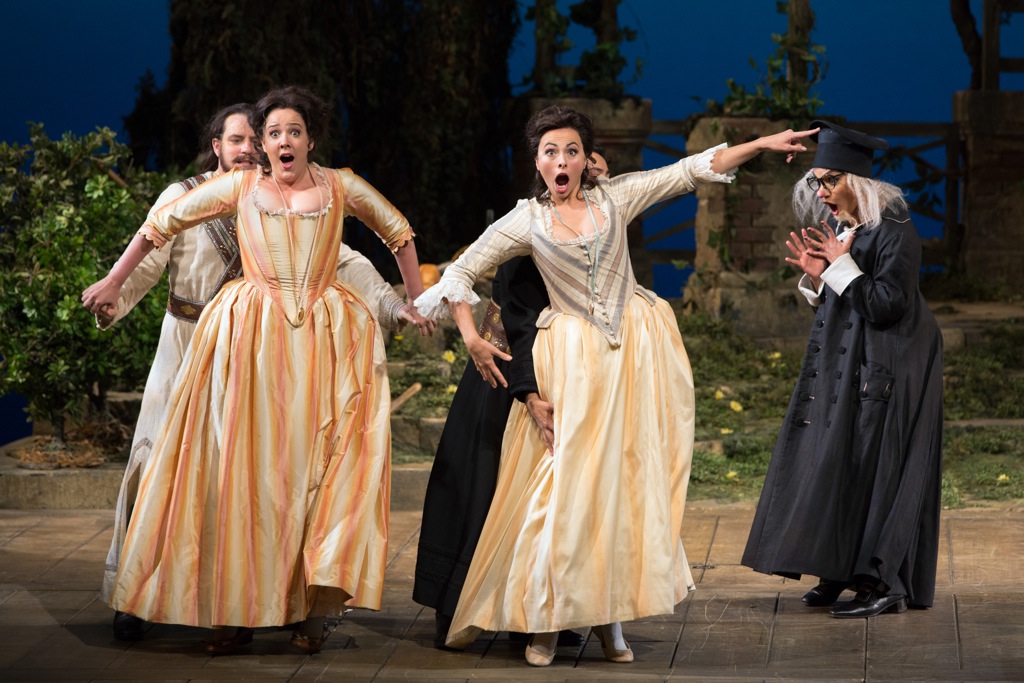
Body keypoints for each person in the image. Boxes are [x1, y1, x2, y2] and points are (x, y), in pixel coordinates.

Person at [414, 105, 814, 666]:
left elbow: (691, 169)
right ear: (537, 161)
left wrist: (762, 144)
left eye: (571, 150)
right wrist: (472, 337)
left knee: (623, 488)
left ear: (586, 159)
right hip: (570, 361)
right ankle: (547, 618)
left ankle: (609, 619)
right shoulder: (526, 220)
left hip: (630, 356)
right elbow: (459, 272)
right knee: (565, 490)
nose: (561, 160)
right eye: (550, 151)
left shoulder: (616, 198)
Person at [82, 85, 429, 654]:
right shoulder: (239, 188)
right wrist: (115, 281)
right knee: (237, 474)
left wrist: (413, 300)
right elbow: (159, 225)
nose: (281, 141)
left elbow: (396, 232)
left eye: (294, 131)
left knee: (314, 474)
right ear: (257, 145)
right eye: (272, 134)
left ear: (310, 138)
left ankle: (309, 610)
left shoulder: (338, 186)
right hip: (246, 344)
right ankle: (229, 609)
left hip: (323, 344)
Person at [741, 120, 944, 619]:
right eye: (817, 182)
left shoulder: (895, 229)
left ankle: (882, 581)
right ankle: (837, 569)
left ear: (858, 180)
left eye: (830, 180)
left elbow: (887, 305)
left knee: (877, 465)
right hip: (851, 363)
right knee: (839, 460)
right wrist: (819, 278)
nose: (822, 192)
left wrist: (840, 268)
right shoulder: (844, 228)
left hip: (893, 362)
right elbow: (845, 298)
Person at [413, 149, 611, 651]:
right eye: (587, 168)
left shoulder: (601, 230)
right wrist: (526, 390)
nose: (592, 178)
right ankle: (461, 602)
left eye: (599, 172)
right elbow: (515, 316)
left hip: (563, 376)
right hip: (506, 371)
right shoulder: (533, 228)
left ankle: (552, 609)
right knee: (486, 484)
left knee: (558, 498)